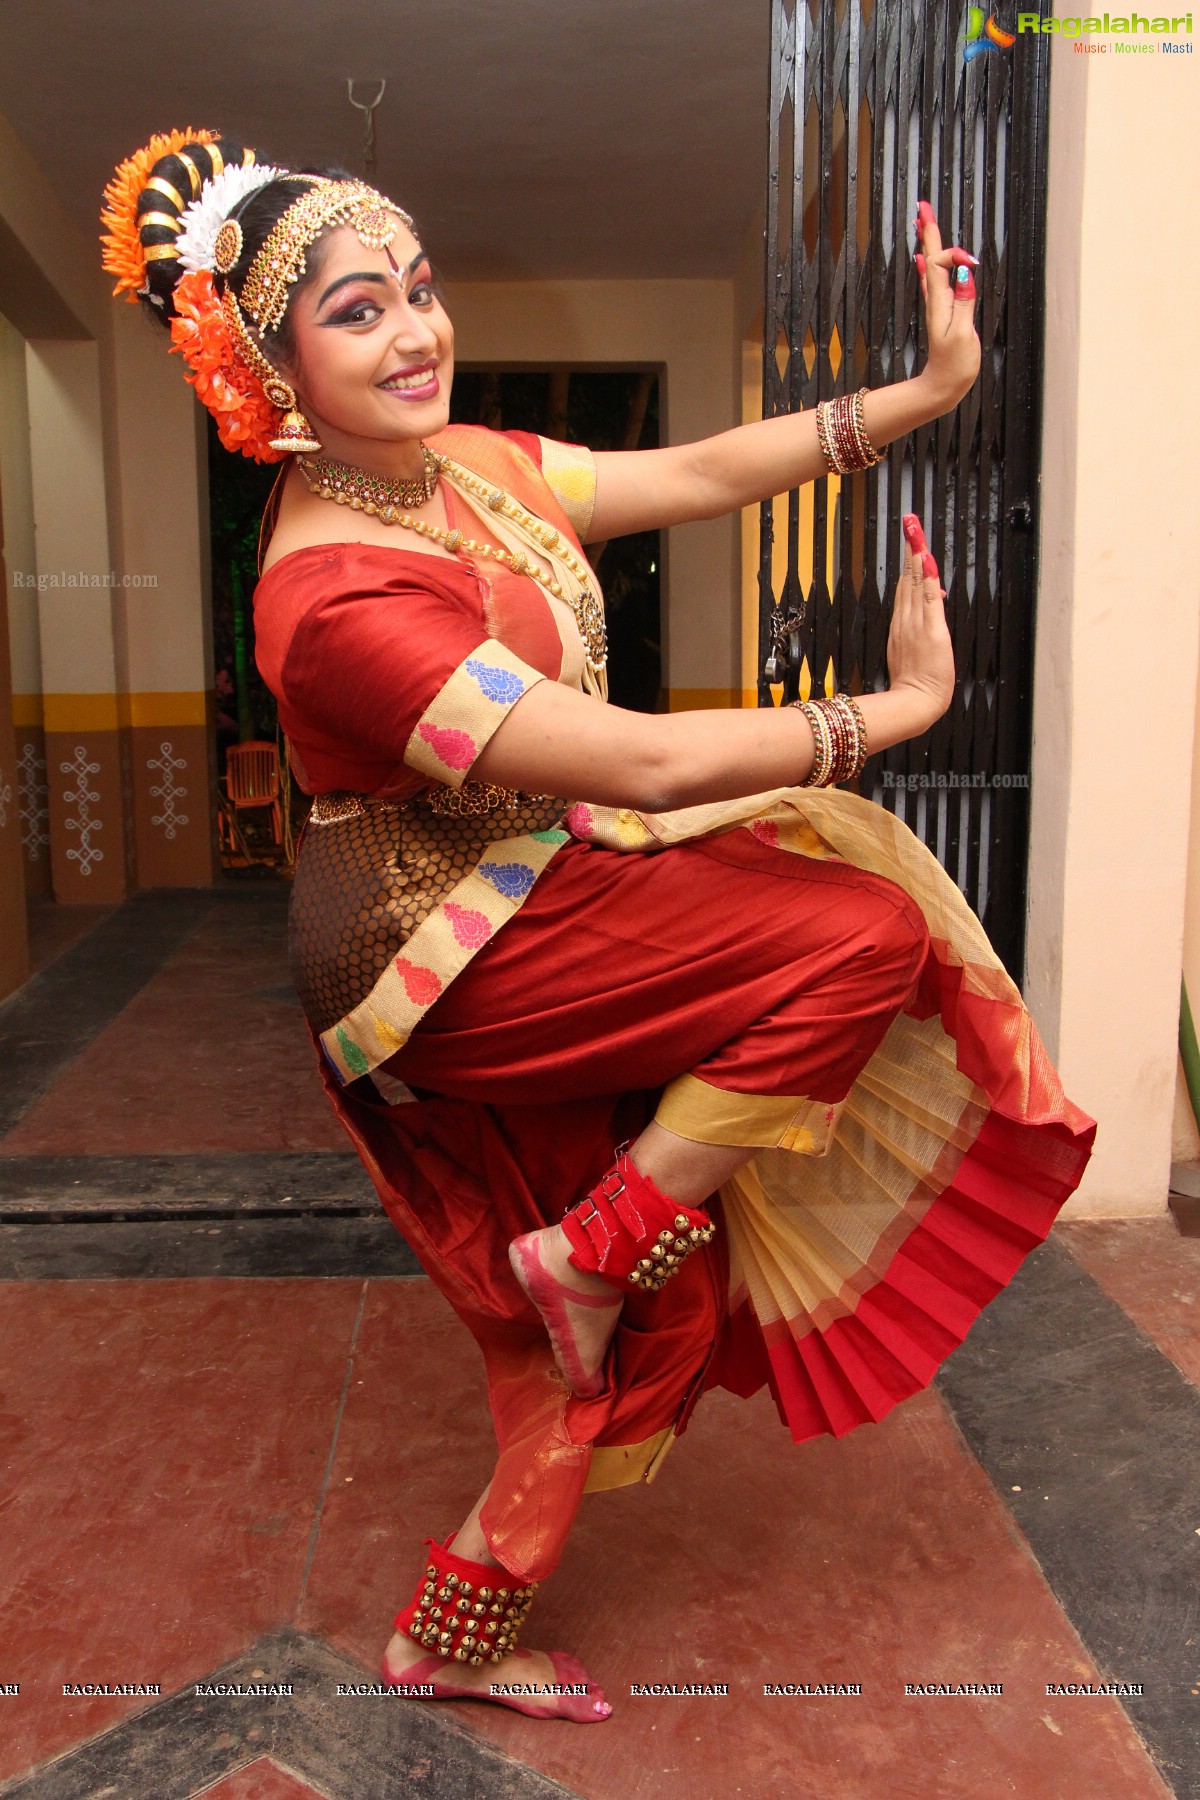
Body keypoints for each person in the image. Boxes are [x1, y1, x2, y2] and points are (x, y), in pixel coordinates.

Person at [102, 131, 1097, 1725]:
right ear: (269, 366)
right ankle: (601, 1235)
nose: (417, 331)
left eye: (419, 290)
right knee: (857, 936)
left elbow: (692, 474)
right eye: (359, 311)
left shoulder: (463, 472)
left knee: (629, 1320)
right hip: (437, 960)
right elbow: (635, 758)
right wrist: (891, 712)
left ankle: (458, 1621)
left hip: (535, 885)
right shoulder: (333, 595)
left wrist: (922, 393)